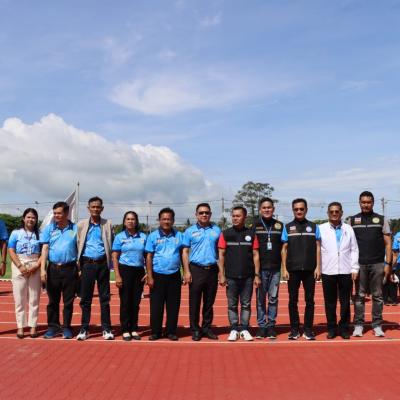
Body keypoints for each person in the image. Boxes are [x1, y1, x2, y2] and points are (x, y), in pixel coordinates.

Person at [350, 191, 392, 337]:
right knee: (359, 296)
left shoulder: (381, 219)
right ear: (359, 203)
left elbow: (388, 243)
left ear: (373, 203)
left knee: (378, 296)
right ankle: (358, 325)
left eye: (368, 202)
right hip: (359, 264)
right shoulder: (352, 220)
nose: (366, 205)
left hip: (378, 263)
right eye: (363, 202)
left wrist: (388, 264)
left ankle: (377, 325)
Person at [218, 206, 261, 341]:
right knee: (232, 305)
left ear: (245, 217)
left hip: (248, 276)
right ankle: (234, 329)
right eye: (233, 216)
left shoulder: (251, 234)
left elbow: (256, 255)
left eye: (238, 216)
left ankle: (244, 329)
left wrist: (257, 275)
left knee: (246, 304)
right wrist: (222, 274)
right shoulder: (225, 234)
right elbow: (221, 255)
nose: (235, 218)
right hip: (231, 276)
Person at [281, 198, 321, 340]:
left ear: (306, 210)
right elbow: (284, 249)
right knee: (293, 301)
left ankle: (308, 329)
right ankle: (294, 330)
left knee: (310, 301)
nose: (299, 211)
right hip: (293, 269)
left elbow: (318, 248)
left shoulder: (314, 227)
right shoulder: (287, 227)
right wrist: (284, 269)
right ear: (293, 210)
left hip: (310, 269)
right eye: (296, 209)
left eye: (301, 209)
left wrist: (318, 267)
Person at [319, 202, 359, 339]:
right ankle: (331, 328)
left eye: (337, 211)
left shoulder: (348, 229)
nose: (334, 214)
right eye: (332, 211)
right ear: (328, 213)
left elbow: (354, 249)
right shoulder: (321, 228)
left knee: (345, 302)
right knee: (330, 302)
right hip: (327, 270)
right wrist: (318, 268)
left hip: (345, 271)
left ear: (341, 213)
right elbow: (317, 250)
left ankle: (344, 328)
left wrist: (354, 268)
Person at [76, 196, 114, 341]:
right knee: (85, 299)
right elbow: (77, 243)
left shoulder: (108, 224)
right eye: (93, 207)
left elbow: (111, 243)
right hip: (87, 264)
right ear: (88, 208)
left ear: (102, 208)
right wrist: (79, 266)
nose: (96, 209)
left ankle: (106, 328)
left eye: (98, 207)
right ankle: (84, 329)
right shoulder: (81, 225)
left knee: (104, 298)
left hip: (103, 264)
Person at [182, 203, 221, 341]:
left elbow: (221, 252)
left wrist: (221, 271)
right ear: (196, 215)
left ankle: (207, 328)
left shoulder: (217, 230)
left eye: (206, 212)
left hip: (212, 270)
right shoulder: (189, 231)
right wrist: (186, 271)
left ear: (210, 214)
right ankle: (195, 329)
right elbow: (185, 252)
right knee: (195, 302)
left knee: (209, 302)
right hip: (196, 269)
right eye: (201, 212)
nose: (204, 215)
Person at [40, 202, 78, 339]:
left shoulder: (76, 228)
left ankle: (67, 327)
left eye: (59, 213)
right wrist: (43, 269)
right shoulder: (49, 229)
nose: (56, 215)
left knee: (68, 301)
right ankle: (53, 327)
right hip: (53, 269)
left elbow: (80, 248)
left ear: (66, 213)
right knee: (53, 301)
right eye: (55, 213)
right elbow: (45, 249)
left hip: (70, 269)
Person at [145, 208, 184, 341]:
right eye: (164, 219)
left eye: (169, 219)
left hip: (174, 275)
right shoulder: (152, 236)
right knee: (156, 306)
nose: (166, 221)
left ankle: (170, 331)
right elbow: (149, 257)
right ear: (159, 220)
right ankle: (156, 332)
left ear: (173, 220)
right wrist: (149, 276)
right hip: (157, 275)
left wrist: (185, 271)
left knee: (173, 306)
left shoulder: (179, 235)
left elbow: (183, 254)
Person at [112, 211, 147, 341]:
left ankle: (134, 328)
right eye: (128, 219)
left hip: (139, 271)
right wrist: (117, 275)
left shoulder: (143, 237)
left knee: (136, 302)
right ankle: (125, 329)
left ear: (136, 221)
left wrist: (148, 272)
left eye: (133, 219)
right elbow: (115, 257)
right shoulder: (119, 237)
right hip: (125, 270)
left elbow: (148, 256)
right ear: (124, 221)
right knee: (125, 302)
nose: (130, 221)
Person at [8, 208, 42, 338]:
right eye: (28, 217)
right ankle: (20, 327)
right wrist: (20, 266)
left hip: (35, 264)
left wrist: (36, 266)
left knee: (34, 298)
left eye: (33, 217)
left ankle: (33, 326)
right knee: (19, 299)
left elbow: (44, 252)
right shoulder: (15, 233)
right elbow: (11, 250)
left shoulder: (40, 234)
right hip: (19, 264)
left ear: (36, 220)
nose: (31, 219)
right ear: (23, 218)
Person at [253, 197, 284, 340]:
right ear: (260, 210)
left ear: (273, 209)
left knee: (273, 298)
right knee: (260, 299)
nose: (266, 210)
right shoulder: (254, 226)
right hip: (260, 269)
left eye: (269, 207)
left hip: (275, 269)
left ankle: (271, 325)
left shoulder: (280, 226)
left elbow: (284, 248)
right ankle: (261, 326)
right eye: (264, 208)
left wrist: (284, 268)